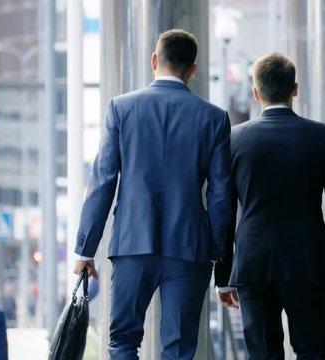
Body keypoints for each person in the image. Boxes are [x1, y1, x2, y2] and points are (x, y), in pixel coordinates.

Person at [73, 29, 233, 359]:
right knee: (179, 348)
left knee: (123, 341)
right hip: (189, 248)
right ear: (193, 69)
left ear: (154, 60)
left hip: (132, 243)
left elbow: (103, 181)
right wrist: (216, 249)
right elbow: (220, 194)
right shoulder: (214, 119)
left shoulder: (120, 108)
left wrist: (85, 249)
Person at [214, 53, 325, 359]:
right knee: (314, 351)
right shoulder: (321, 136)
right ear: (295, 89)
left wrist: (223, 275)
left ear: (256, 92)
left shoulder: (235, 140)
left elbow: (223, 213)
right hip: (308, 261)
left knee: (263, 353)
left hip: (253, 264)